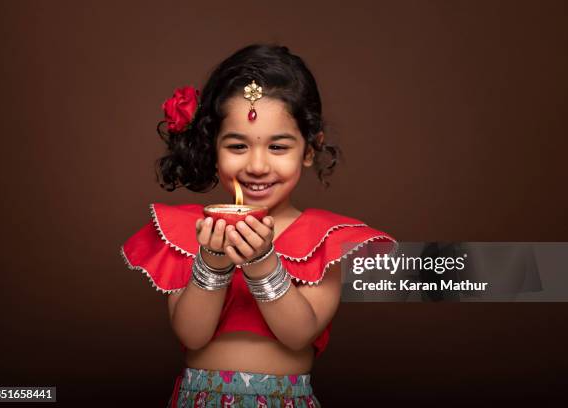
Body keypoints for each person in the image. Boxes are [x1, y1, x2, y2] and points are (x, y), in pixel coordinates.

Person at [120, 44, 396, 408]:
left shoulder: (325, 240)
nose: (257, 166)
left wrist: (262, 262)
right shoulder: (192, 233)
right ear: (213, 148)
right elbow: (192, 334)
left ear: (310, 149)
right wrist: (212, 263)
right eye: (237, 146)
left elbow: (298, 335)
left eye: (278, 147)